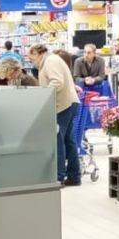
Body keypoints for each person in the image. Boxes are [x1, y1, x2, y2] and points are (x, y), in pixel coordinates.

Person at [28, 44, 81, 187]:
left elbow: (57, 82)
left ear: (37, 52)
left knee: (58, 140)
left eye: (31, 57)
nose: (31, 61)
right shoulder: (52, 60)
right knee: (69, 141)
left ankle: (59, 176)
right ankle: (74, 176)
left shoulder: (50, 61)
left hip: (62, 106)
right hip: (69, 103)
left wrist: (43, 94)